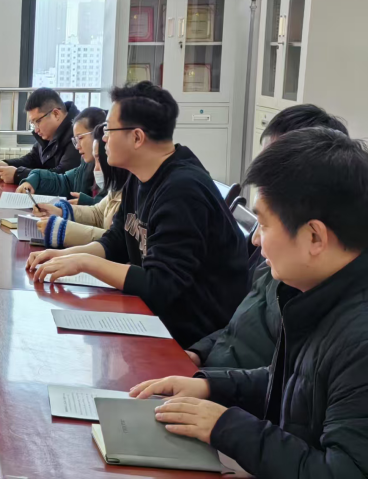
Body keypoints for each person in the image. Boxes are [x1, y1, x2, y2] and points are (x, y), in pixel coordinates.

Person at [129, 128, 368, 478]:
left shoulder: (359, 337)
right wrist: (209, 386)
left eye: (265, 225)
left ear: (314, 237)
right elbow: (294, 384)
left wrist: (226, 426)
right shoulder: (318, 293)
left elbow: (345, 471)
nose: (255, 240)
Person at [27, 81, 246, 348]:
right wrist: (65, 256)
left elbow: (159, 285)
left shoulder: (183, 190)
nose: (103, 138)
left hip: (188, 341)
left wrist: (84, 262)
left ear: (137, 138)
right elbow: (118, 240)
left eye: (108, 130)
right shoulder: (139, 176)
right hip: (153, 319)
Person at [185, 104, 350, 369]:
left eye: (275, 169)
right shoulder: (276, 256)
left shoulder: (309, 277)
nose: (263, 177)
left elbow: (283, 381)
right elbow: (240, 325)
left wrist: (211, 387)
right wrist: (198, 354)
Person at [32, 124, 131, 249]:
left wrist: (61, 230)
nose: (96, 168)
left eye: (99, 159)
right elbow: (98, 214)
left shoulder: (133, 189)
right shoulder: (118, 186)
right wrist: (60, 212)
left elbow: (119, 242)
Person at [16, 106, 105, 201]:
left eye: (80, 138)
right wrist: (35, 179)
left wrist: (87, 203)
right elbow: (64, 181)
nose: (77, 146)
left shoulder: (114, 168)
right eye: (75, 140)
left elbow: (109, 206)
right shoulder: (86, 165)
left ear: (100, 134)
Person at [0, 88, 81, 185]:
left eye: (38, 121)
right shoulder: (49, 134)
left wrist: (18, 175)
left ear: (56, 114)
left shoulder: (78, 134)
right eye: (33, 123)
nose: (36, 130)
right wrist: (7, 164)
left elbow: (64, 176)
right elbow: (33, 159)